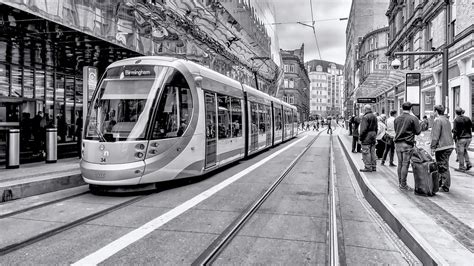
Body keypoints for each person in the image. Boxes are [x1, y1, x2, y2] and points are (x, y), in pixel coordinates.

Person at [394, 102, 421, 190]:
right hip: (407, 144)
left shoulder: (397, 118)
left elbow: (396, 130)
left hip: (398, 144)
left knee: (400, 164)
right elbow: (418, 131)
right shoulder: (413, 118)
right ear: (411, 108)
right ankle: (403, 184)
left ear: (402, 108)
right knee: (405, 164)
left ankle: (400, 182)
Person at [431, 105, 454, 192]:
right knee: (444, 165)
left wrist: (433, 147)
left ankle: (445, 186)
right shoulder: (446, 119)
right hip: (449, 145)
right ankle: (441, 183)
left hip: (442, 146)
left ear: (436, 111)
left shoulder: (437, 120)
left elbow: (435, 136)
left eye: (434, 111)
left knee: (442, 166)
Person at [452, 107, 472, 172]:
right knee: (465, 150)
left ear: (456, 112)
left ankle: (461, 167)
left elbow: (455, 130)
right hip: (469, 137)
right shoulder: (467, 118)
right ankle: (468, 163)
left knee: (460, 152)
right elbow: (471, 126)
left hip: (461, 138)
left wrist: (454, 137)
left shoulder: (456, 120)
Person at [359, 105, 378, 172]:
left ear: (366, 109)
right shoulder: (374, 117)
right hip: (373, 135)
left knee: (366, 152)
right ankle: (373, 166)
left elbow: (363, 129)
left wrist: (361, 138)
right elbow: (376, 128)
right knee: (373, 152)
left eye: (364, 109)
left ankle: (368, 167)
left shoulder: (365, 117)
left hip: (367, 136)